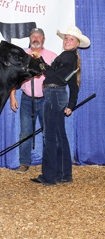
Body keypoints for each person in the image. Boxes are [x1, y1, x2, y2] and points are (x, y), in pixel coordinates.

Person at [30, 26, 90, 185]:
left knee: (49, 137)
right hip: (59, 95)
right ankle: (64, 175)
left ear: (77, 43)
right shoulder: (72, 57)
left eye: (71, 39)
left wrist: (40, 60)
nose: (67, 41)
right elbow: (72, 83)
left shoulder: (66, 56)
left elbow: (50, 74)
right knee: (60, 136)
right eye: (66, 38)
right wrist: (70, 103)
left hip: (53, 95)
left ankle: (49, 177)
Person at [10, 28, 57, 173]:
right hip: (26, 99)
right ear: (30, 39)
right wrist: (12, 96)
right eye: (33, 36)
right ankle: (24, 163)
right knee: (25, 132)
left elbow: (57, 77)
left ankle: (50, 163)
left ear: (43, 39)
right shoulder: (22, 55)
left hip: (46, 99)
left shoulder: (52, 56)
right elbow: (13, 77)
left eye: (38, 36)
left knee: (48, 132)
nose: (35, 38)